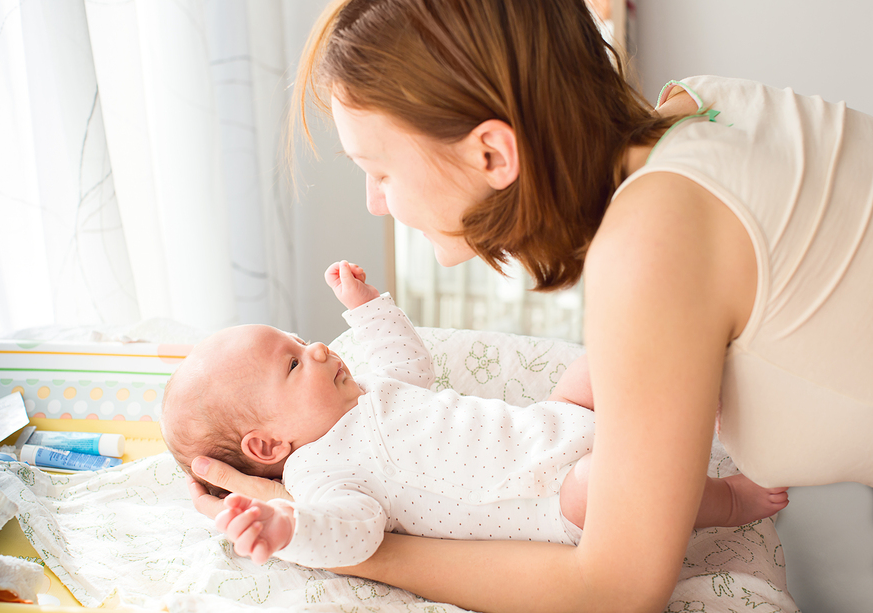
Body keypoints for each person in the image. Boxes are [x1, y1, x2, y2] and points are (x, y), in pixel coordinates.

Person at [189, 0, 873, 610]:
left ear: (491, 153)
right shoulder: (700, 106)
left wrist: (361, 542)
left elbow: (616, 589)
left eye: (380, 171)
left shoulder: (652, 245)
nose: (376, 202)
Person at [162, 261, 787, 568]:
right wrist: (286, 530)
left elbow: (411, 362)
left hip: (551, 420)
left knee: (600, 360)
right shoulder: (322, 477)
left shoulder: (364, 389)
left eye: (300, 341)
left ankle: (692, 378)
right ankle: (723, 499)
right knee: (611, 486)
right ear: (267, 448)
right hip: (550, 499)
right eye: (294, 365)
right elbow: (353, 535)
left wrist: (366, 305)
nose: (319, 349)